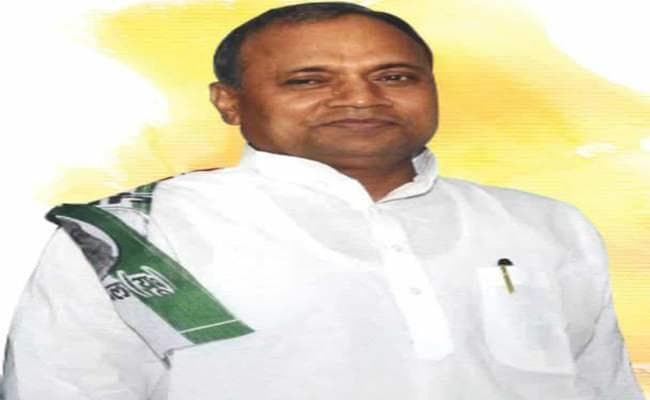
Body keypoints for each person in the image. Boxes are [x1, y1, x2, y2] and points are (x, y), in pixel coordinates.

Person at [0, 2, 645, 399]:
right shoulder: (138, 236)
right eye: (309, 81)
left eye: (394, 76)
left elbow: (602, 386)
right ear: (229, 102)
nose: (361, 99)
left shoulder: (543, 225)